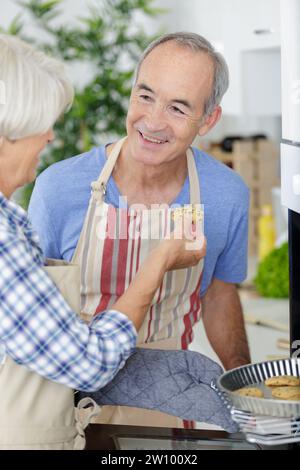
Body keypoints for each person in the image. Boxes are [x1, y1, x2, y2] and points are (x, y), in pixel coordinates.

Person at [28, 31, 251, 427]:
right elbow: (31, 315)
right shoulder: (59, 187)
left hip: (168, 402)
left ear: (209, 119)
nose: (153, 121)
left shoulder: (224, 194)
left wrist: (245, 388)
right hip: (66, 402)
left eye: (178, 108)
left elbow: (219, 292)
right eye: (145, 96)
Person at [0, 33, 206, 447]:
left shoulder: (10, 217)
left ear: (208, 119)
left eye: (179, 106)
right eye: (44, 126)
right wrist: (159, 260)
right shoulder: (29, 214)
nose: (50, 138)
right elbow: (88, 364)